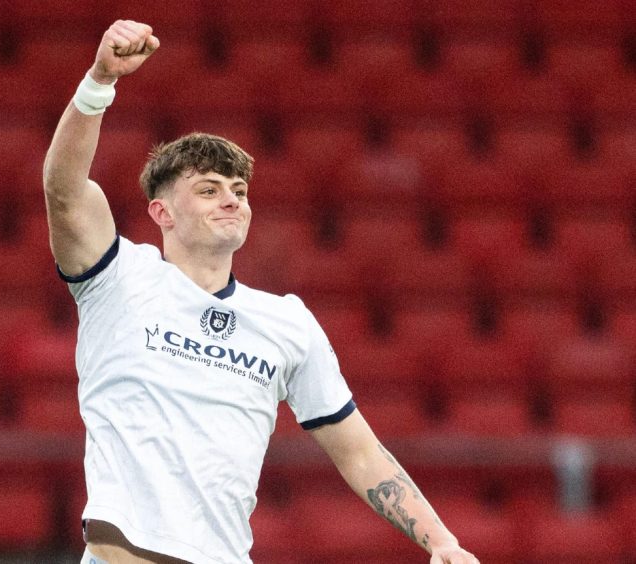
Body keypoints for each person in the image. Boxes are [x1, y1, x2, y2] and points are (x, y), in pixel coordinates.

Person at [42, 19, 480, 564]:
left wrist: (440, 540)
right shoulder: (118, 278)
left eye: (239, 190)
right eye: (208, 190)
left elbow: (359, 452)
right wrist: (99, 82)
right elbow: (63, 191)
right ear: (162, 213)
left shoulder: (286, 322)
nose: (231, 200)